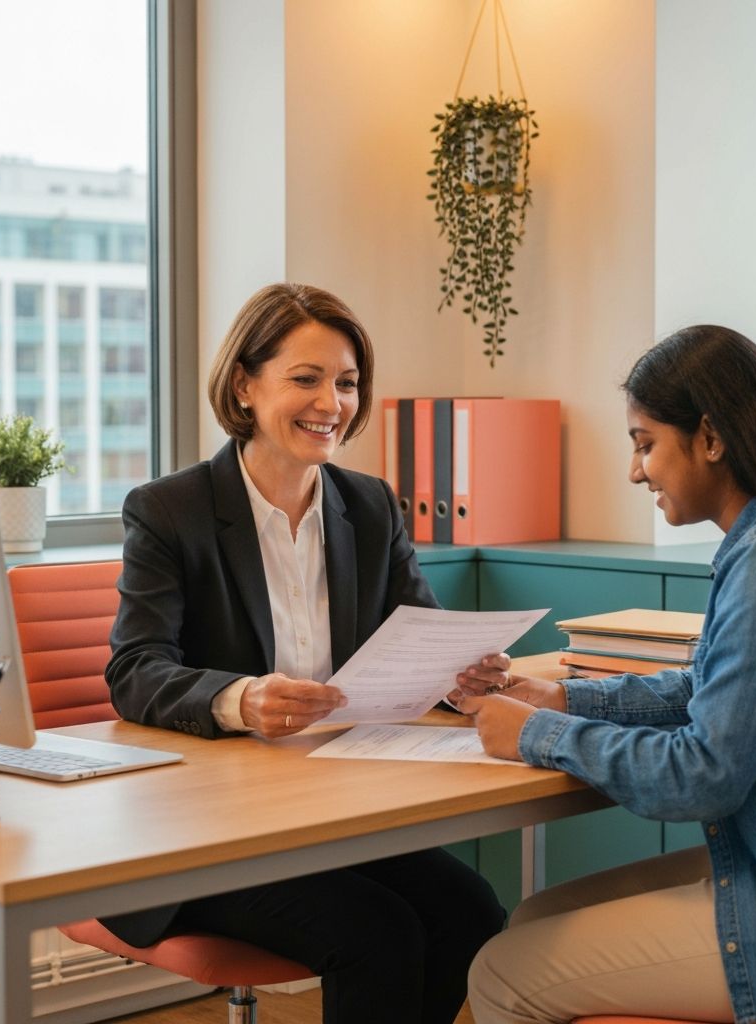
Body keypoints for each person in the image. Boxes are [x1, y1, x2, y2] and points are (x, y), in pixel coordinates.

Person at [451, 325, 756, 1024]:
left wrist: (538, 736)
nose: (634, 471)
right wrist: (562, 695)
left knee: (501, 973)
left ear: (710, 437)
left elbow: (705, 774)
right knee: (535, 913)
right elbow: (712, 692)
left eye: (644, 442)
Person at [102, 282, 504, 1024]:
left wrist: (464, 677)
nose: (332, 402)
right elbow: (135, 671)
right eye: (306, 378)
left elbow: (420, 639)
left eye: (347, 382)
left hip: (330, 813)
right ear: (245, 386)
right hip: (201, 834)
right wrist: (239, 698)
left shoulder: (371, 505)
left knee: (470, 910)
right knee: (375, 935)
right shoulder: (169, 511)